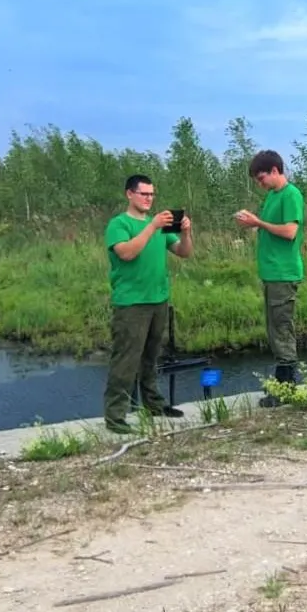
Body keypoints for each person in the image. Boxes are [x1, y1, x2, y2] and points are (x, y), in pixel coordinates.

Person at [103, 173, 192, 433]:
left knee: (151, 357)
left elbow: (184, 253)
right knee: (126, 360)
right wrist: (151, 226)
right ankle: (115, 416)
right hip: (131, 303)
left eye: (152, 194)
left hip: (158, 299)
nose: (149, 199)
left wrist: (186, 232)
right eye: (144, 194)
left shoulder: (162, 226)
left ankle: (153, 404)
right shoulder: (119, 224)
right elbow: (127, 253)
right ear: (129, 194)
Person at [233, 149, 305, 407]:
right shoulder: (273, 196)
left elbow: (289, 231)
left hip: (284, 273)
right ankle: (283, 386)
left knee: (282, 330)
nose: (260, 184)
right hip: (272, 274)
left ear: (275, 171)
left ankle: (286, 389)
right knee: (275, 330)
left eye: (261, 178)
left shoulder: (290, 194)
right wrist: (255, 223)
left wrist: (258, 223)